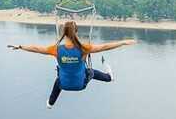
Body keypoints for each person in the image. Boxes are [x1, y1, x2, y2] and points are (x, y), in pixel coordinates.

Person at [8, 20, 136, 108]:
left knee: (58, 79)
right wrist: (123, 42)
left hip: (64, 84)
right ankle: (109, 78)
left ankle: (51, 103)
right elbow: (105, 46)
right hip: (80, 85)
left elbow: (36, 49)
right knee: (90, 71)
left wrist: (20, 46)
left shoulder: (56, 49)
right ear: (76, 32)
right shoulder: (83, 48)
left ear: (64, 32)